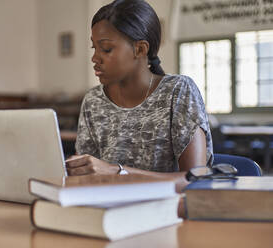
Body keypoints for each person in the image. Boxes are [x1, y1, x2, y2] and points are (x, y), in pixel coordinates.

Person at [66, 0, 213, 190]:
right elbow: (86, 176)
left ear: (140, 49)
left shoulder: (178, 92)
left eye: (106, 49)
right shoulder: (93, 101)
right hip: (109, 212)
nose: (95, 58)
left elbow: (196, 180)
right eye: (94, 48)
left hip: (167, 213)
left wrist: (118, 172)